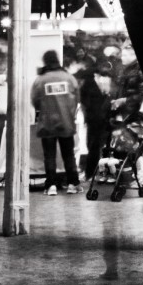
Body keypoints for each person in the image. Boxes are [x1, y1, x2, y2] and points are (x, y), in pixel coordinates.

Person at [31, 50, 80, 195]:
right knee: (68, 154)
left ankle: (51, 185)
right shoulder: (69, 78)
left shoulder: (40, 80)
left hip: (47, 123)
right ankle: (72, 183)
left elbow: (35, 101)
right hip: (66, 122)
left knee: (49, 155)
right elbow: (77, 99)